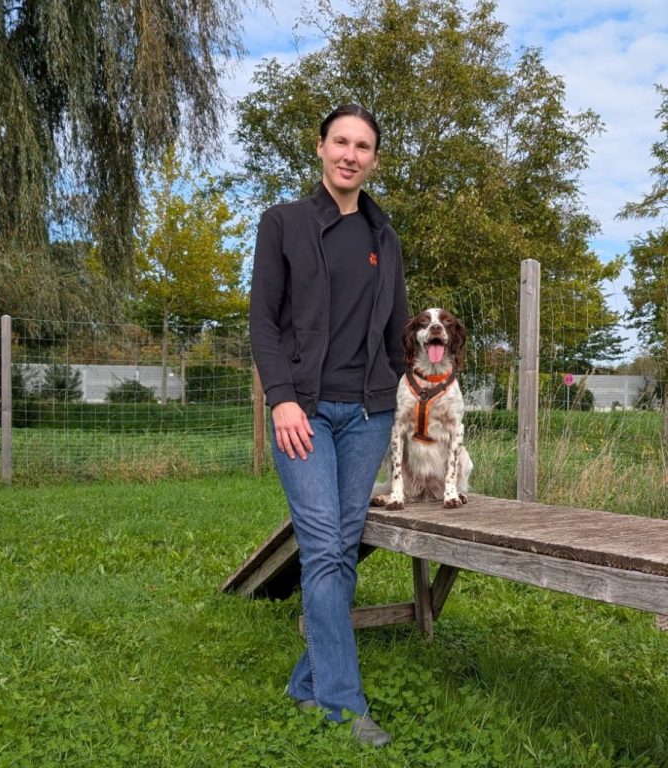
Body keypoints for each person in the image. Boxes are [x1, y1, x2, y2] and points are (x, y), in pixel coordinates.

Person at [249, 104, 409, 746]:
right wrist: (282, 399)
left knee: (342, 550)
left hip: (368, 414)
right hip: (305, 414)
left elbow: (397, 325)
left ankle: (307, 681)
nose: (350, 154)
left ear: (373, 158)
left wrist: (397, 393)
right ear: (319, 148)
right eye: (340, 142)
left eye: (363, 146)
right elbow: (263, 321)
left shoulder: (383, 234)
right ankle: (344, 704)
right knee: (322, 548)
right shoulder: (283, 223)